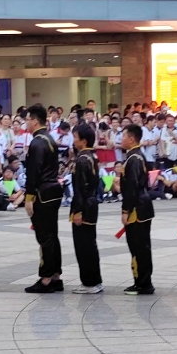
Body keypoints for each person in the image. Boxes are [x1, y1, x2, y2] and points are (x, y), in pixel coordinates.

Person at [23, 104, 64, 294]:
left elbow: (34, 172)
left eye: (27, 119)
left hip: (42, 193)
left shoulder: (37, 142)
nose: (26, 123)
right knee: (52, 235)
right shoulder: (49, 139)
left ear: (35, 121)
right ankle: (55, 275)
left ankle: (46, 277)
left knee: (45, 236)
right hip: (53, 191)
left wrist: (29, 197)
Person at [120, 125, 155, 295]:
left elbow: (132, 187)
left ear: (132, 138)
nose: (121, 138)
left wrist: (126, 210)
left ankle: (143, 282)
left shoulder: (134, 158)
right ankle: (142, 280)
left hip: (138, 208)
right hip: (142, 204)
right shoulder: (137, 157)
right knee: (140, 246)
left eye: (124, 135)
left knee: (139, 246)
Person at [69, 123, 102, 294]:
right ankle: (95, 279)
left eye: (75, 138)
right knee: (90, 243)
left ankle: (89, 282)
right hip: (92, 203)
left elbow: (80, 188)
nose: (73, 141)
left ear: (83, 140)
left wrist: (78, 211)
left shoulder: (82, 160)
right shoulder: (92, 157)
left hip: (84, 206)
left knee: (84, 245)